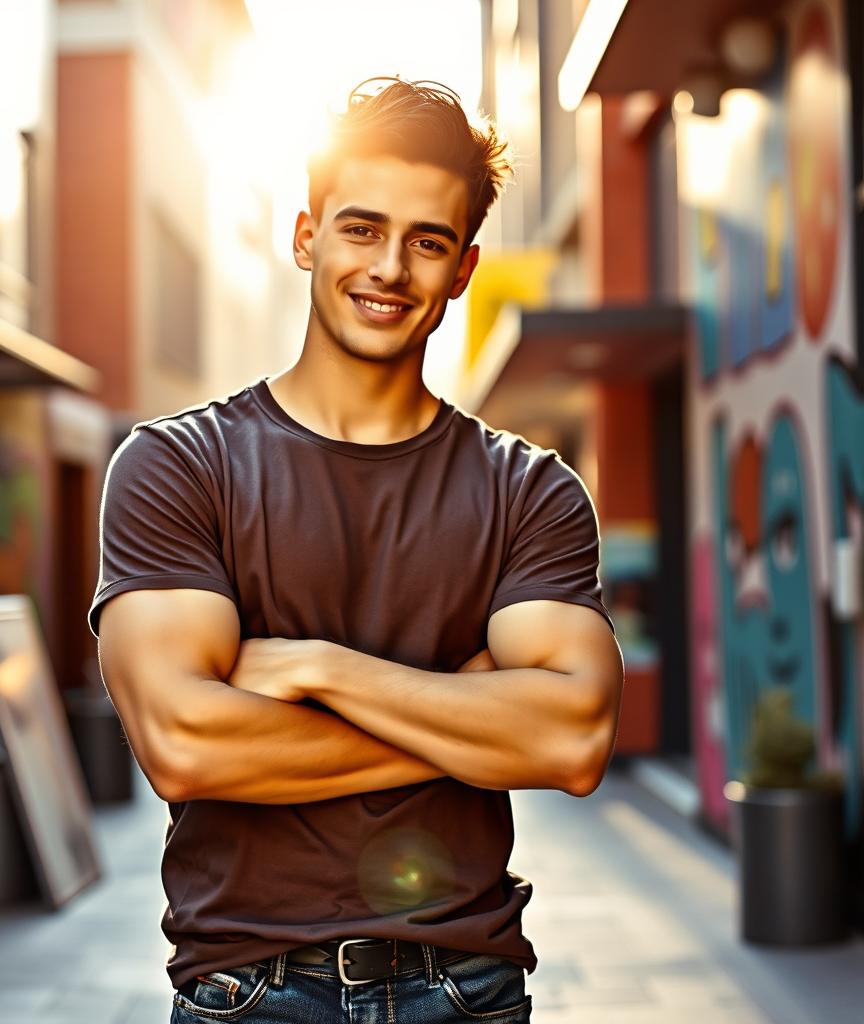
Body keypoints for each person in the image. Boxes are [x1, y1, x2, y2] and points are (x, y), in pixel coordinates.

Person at [88, 76, 624, 1024]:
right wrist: (469, 720)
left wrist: (316, 665)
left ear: (462, 268)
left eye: (428, 241)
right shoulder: (178, 465)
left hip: (466, 988)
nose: (390, 268)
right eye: (361, 229)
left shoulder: (529, 489)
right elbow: (182, 743)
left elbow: (572, 738)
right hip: (249, 992)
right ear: (306, 236)